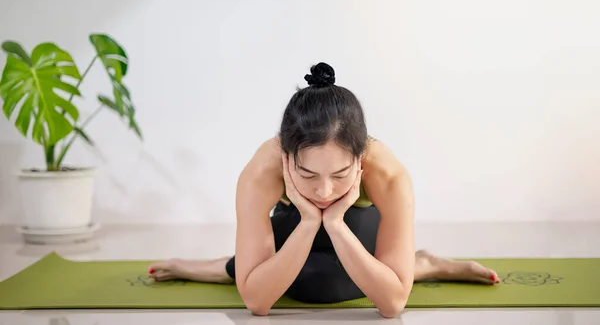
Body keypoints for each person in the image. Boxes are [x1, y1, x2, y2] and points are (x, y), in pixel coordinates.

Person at [148, 62, 500, 318]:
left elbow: (392, 304)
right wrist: (306, 222)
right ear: (287, 159)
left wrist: (334, 222)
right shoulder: (260, 173)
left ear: (361, 159)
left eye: (341, 173)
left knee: (322, 284)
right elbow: (257, 302)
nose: (324, 189)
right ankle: (416, 264)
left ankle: (421, 264)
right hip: (292, 225)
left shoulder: (388, 174)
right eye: (307, 174)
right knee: (304, 280)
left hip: (361, 230)